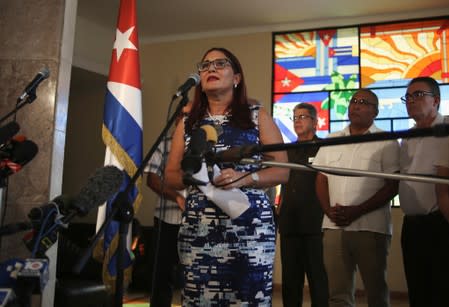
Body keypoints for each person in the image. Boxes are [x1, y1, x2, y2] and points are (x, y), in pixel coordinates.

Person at [164, 47, 289, 306]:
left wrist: (245, 178)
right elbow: (171, 176)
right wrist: (195, 177)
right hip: (200, 229)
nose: (211, 69)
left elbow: (282, 171)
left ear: (236, 78)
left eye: (220, 64)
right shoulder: (187, 121)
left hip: (249, 229)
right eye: (205, 65)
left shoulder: (257, 116)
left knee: (247, 299)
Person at [313, 89, 399, 307]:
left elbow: (393, 185)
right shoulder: (332, 139)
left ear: (375, 111)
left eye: (363, 102)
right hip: (333, 226)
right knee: (337, 294)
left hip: (371, 228)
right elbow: (321, 178)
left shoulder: (385, 141)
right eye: (353, 101)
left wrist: (357, 210)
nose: (356, 106)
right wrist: (328, 210)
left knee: (376, 291)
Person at [398, 76, 449, 307]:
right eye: (407, 97)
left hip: (440, 223)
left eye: (418, 95)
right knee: (418, 291)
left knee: (441, 290)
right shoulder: (407, 137)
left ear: (436, 100)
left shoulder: (446, 129)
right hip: (412, 226)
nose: (411, 101)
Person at [278, 103, 328, 307]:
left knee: (317, 277)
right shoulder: (286, 150)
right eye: (295, 117)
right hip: (289, 222)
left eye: (302, 117)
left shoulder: (324, 148)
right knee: (290, 279)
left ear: (315, 122)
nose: (297, 121)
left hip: (315, 222)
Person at [146, 134, 185, 307]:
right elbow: (152, 179)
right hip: (166, 219)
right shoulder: (164, 143)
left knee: (195, 275)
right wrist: (177, 197)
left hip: (198, 220)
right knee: (162, 275)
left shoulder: (207, 141)